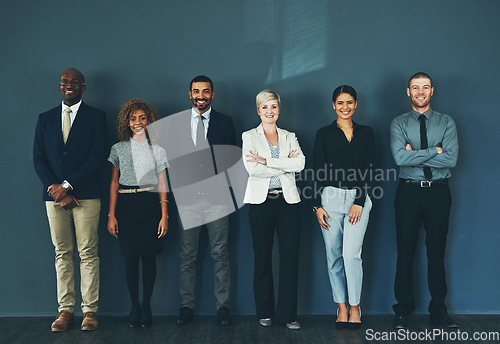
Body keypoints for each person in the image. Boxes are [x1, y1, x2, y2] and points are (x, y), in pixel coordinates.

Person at [33, 68, 107, 331]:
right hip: (53, 197)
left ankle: (90, 312)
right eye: (65, 82)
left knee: (88, 252)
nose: (69, 85)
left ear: (83, 87)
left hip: (86, 195)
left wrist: (67, 185)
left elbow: (97, 156)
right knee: (62, 253)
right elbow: (38, 159)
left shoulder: (96, 117)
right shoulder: (45, 119)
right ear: (60, 85)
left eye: (75, 82)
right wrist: (56, 189)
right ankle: (65, 311)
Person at [390, 72, 459, 329]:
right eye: (415, 87)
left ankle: (439, 312)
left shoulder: (447, 122)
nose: (420, 91)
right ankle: (402, 311)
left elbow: (451, 160)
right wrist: (435, 150)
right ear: (408, 92)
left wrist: (415, 154)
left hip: (439, 192)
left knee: (436, 252)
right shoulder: (398, 123)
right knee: (405, 252)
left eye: (425, 87)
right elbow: (399, 159)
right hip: (408, 192)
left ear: (432, 91)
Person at [168, 75, 236, 326]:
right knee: (187, 256)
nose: (201, 95)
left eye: (205, 91)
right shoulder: (177, 125)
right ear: (189, 94)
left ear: (212, 94)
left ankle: (223, 307)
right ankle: (186, 306)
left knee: (221, 254)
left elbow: (233, 160)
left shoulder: (225, 122)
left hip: (218, 200)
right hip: (187, 200)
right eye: (196, 91)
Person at [243, 89, 305, 330]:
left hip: (288, 203)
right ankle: (265, 312)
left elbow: (299, 164)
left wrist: (266, 161)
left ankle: (289, 314)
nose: (270, 111)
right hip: (261, 203)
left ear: (279, 110)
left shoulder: (290, 136)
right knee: (262, 258)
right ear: (258, 110)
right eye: (265, 107)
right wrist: (284, 166)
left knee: (290, 259)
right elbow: (252, 170)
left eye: (274, 107)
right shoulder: (249, 136)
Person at [313, 85, 374, 327]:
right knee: (334, 256)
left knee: (351, 255)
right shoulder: (324, 133)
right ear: (333, 105)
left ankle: (355, 306)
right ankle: (341, 306)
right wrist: (316, 205)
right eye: (340, 103)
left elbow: (371, 168)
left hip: (358, 200)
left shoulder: (367, 133)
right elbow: (317, 170)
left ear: (356, 104)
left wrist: (360, 200)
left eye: (349, 102)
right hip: (330, 198)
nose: (345, 107)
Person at [107, 99, 169, 328]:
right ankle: (134, 305)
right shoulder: (118, 148)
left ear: (149, 120)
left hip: (150, 204)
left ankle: (146, 305)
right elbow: (113, 183)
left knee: (149, 258)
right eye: (133, 119)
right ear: (126, 122)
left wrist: (165, 215)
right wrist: (111, 215)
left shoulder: (158, 150)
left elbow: (163, 183)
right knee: (130, 259)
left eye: (142, 118)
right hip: (126, 205)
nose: (138, 122)